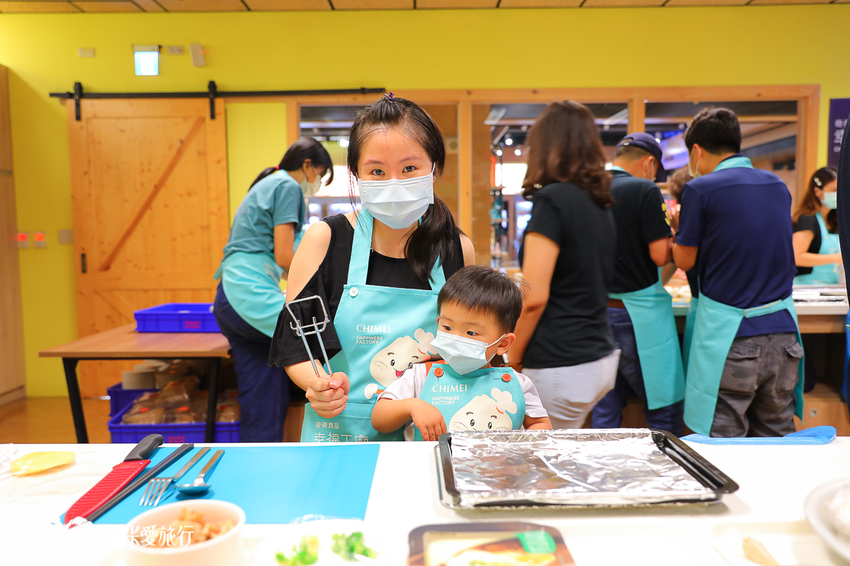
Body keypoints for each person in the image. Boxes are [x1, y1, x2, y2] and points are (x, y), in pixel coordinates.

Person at [269, 94, 475, 443]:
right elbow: (297, 344)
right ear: (357, 176)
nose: (393, 183)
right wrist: (318, 385)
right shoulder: (326, 239)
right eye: (377, 171)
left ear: (434, 168)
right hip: (343, 431)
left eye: (409, 169)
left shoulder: (457, 249)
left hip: (430, 432)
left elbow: (471, 340)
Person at [673, 107, 804, 438]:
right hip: (784, 336)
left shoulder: (700, 189)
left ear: (697, 151)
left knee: (725, 441)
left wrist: (679, 231)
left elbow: (685, 261)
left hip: (733, 338)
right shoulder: (776, 185)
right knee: (776, 435)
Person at [509, 100, 621, 429]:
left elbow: (534, 297)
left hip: (559, 361)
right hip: (597, 355)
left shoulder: (552, 201)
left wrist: (510, 359)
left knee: (545, 469)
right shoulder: (598, 202)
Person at [213, 137, 334, 442]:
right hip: (247, 293)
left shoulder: (270, 184)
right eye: (318, 175)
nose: (316, 183)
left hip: (233, 295)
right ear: (306, 166)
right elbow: (285, 257)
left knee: (262, 394)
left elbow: (282, 262)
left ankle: (258, 461)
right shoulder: (287, 186)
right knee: (322, 338)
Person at [371, 265, 552, 440]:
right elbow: (379, 419)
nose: (455, 338)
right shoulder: (420, 376)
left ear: (503, 343)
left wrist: (516, 448)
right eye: (447, 327)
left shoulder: (517, 384)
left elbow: (540, 425)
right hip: (430, 468)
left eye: (471, 333)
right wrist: (412, 406)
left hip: (494, 470)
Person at [590, 133, 685, 435]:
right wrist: (677, 232)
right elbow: (660, 256)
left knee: (605, 413)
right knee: (662, 413)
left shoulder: (588, 190)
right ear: (648, 163)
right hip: (640, 319)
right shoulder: (644, 189)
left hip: (595, 315)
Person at [792, 166, 841, 284]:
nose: (838, 194)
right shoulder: (807, 220)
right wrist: (836, 258)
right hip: (806, 289)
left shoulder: (834, 221)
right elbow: (796, 257)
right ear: (817, 192)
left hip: (831, 289)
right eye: (834, 190)